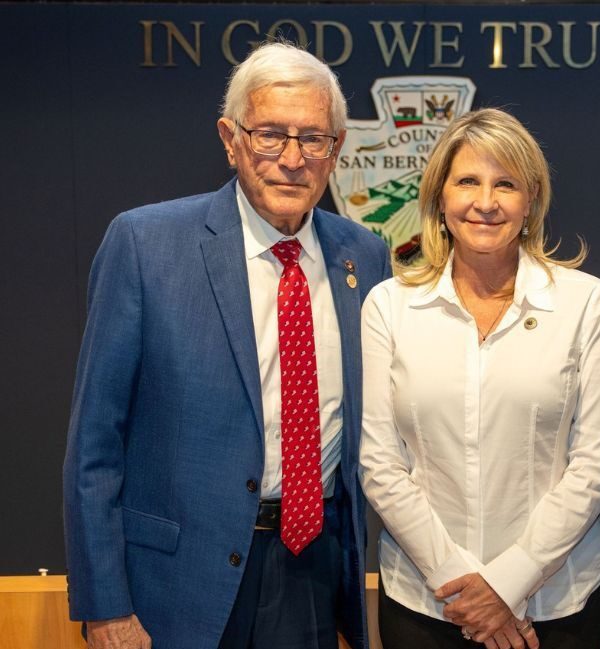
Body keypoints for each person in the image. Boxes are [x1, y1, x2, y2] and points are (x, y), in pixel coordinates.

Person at [62, 42, 391, 649]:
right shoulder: (144, 244)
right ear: (230, 138)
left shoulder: (364, 256)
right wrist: (105, 605)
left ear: (337, 149)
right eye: (270, 134)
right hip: (174, 585)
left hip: (311, 573)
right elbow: (94, 445)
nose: (291, 159)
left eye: (313, 139)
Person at [359, 108, 600, 649]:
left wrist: (508, 585)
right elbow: (381, 464)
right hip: (425, 605)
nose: (485, 202)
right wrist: (465, 591)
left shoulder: (587, 303)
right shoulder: (388, 306)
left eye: (505, 184)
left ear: (531, 201)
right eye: (467, 182)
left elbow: (597, 461)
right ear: (440, 198)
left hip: (559, 608)